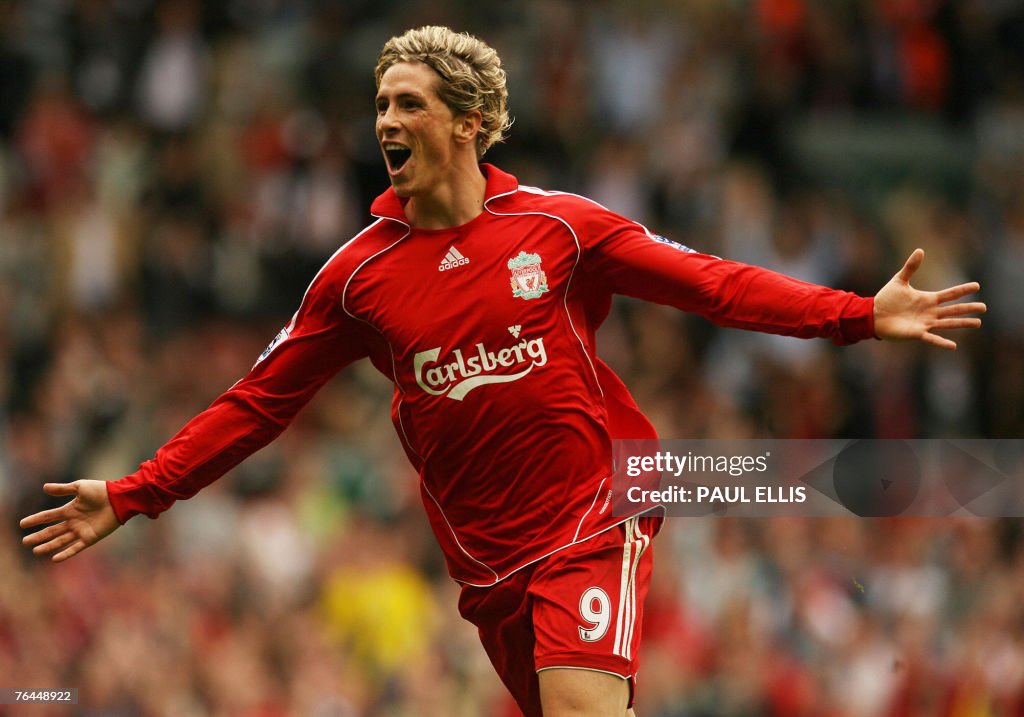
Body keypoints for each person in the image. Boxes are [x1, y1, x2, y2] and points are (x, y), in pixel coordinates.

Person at [20, 26, 986, 717]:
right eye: (381, 105)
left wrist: (858, 315)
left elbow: (714, 285)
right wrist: (137, 492)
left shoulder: (559, 228)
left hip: (596, 511)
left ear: (469, 120)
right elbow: (256, 404)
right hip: (488, 565)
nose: (386, 121)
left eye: (409, 103)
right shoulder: (356, 279)